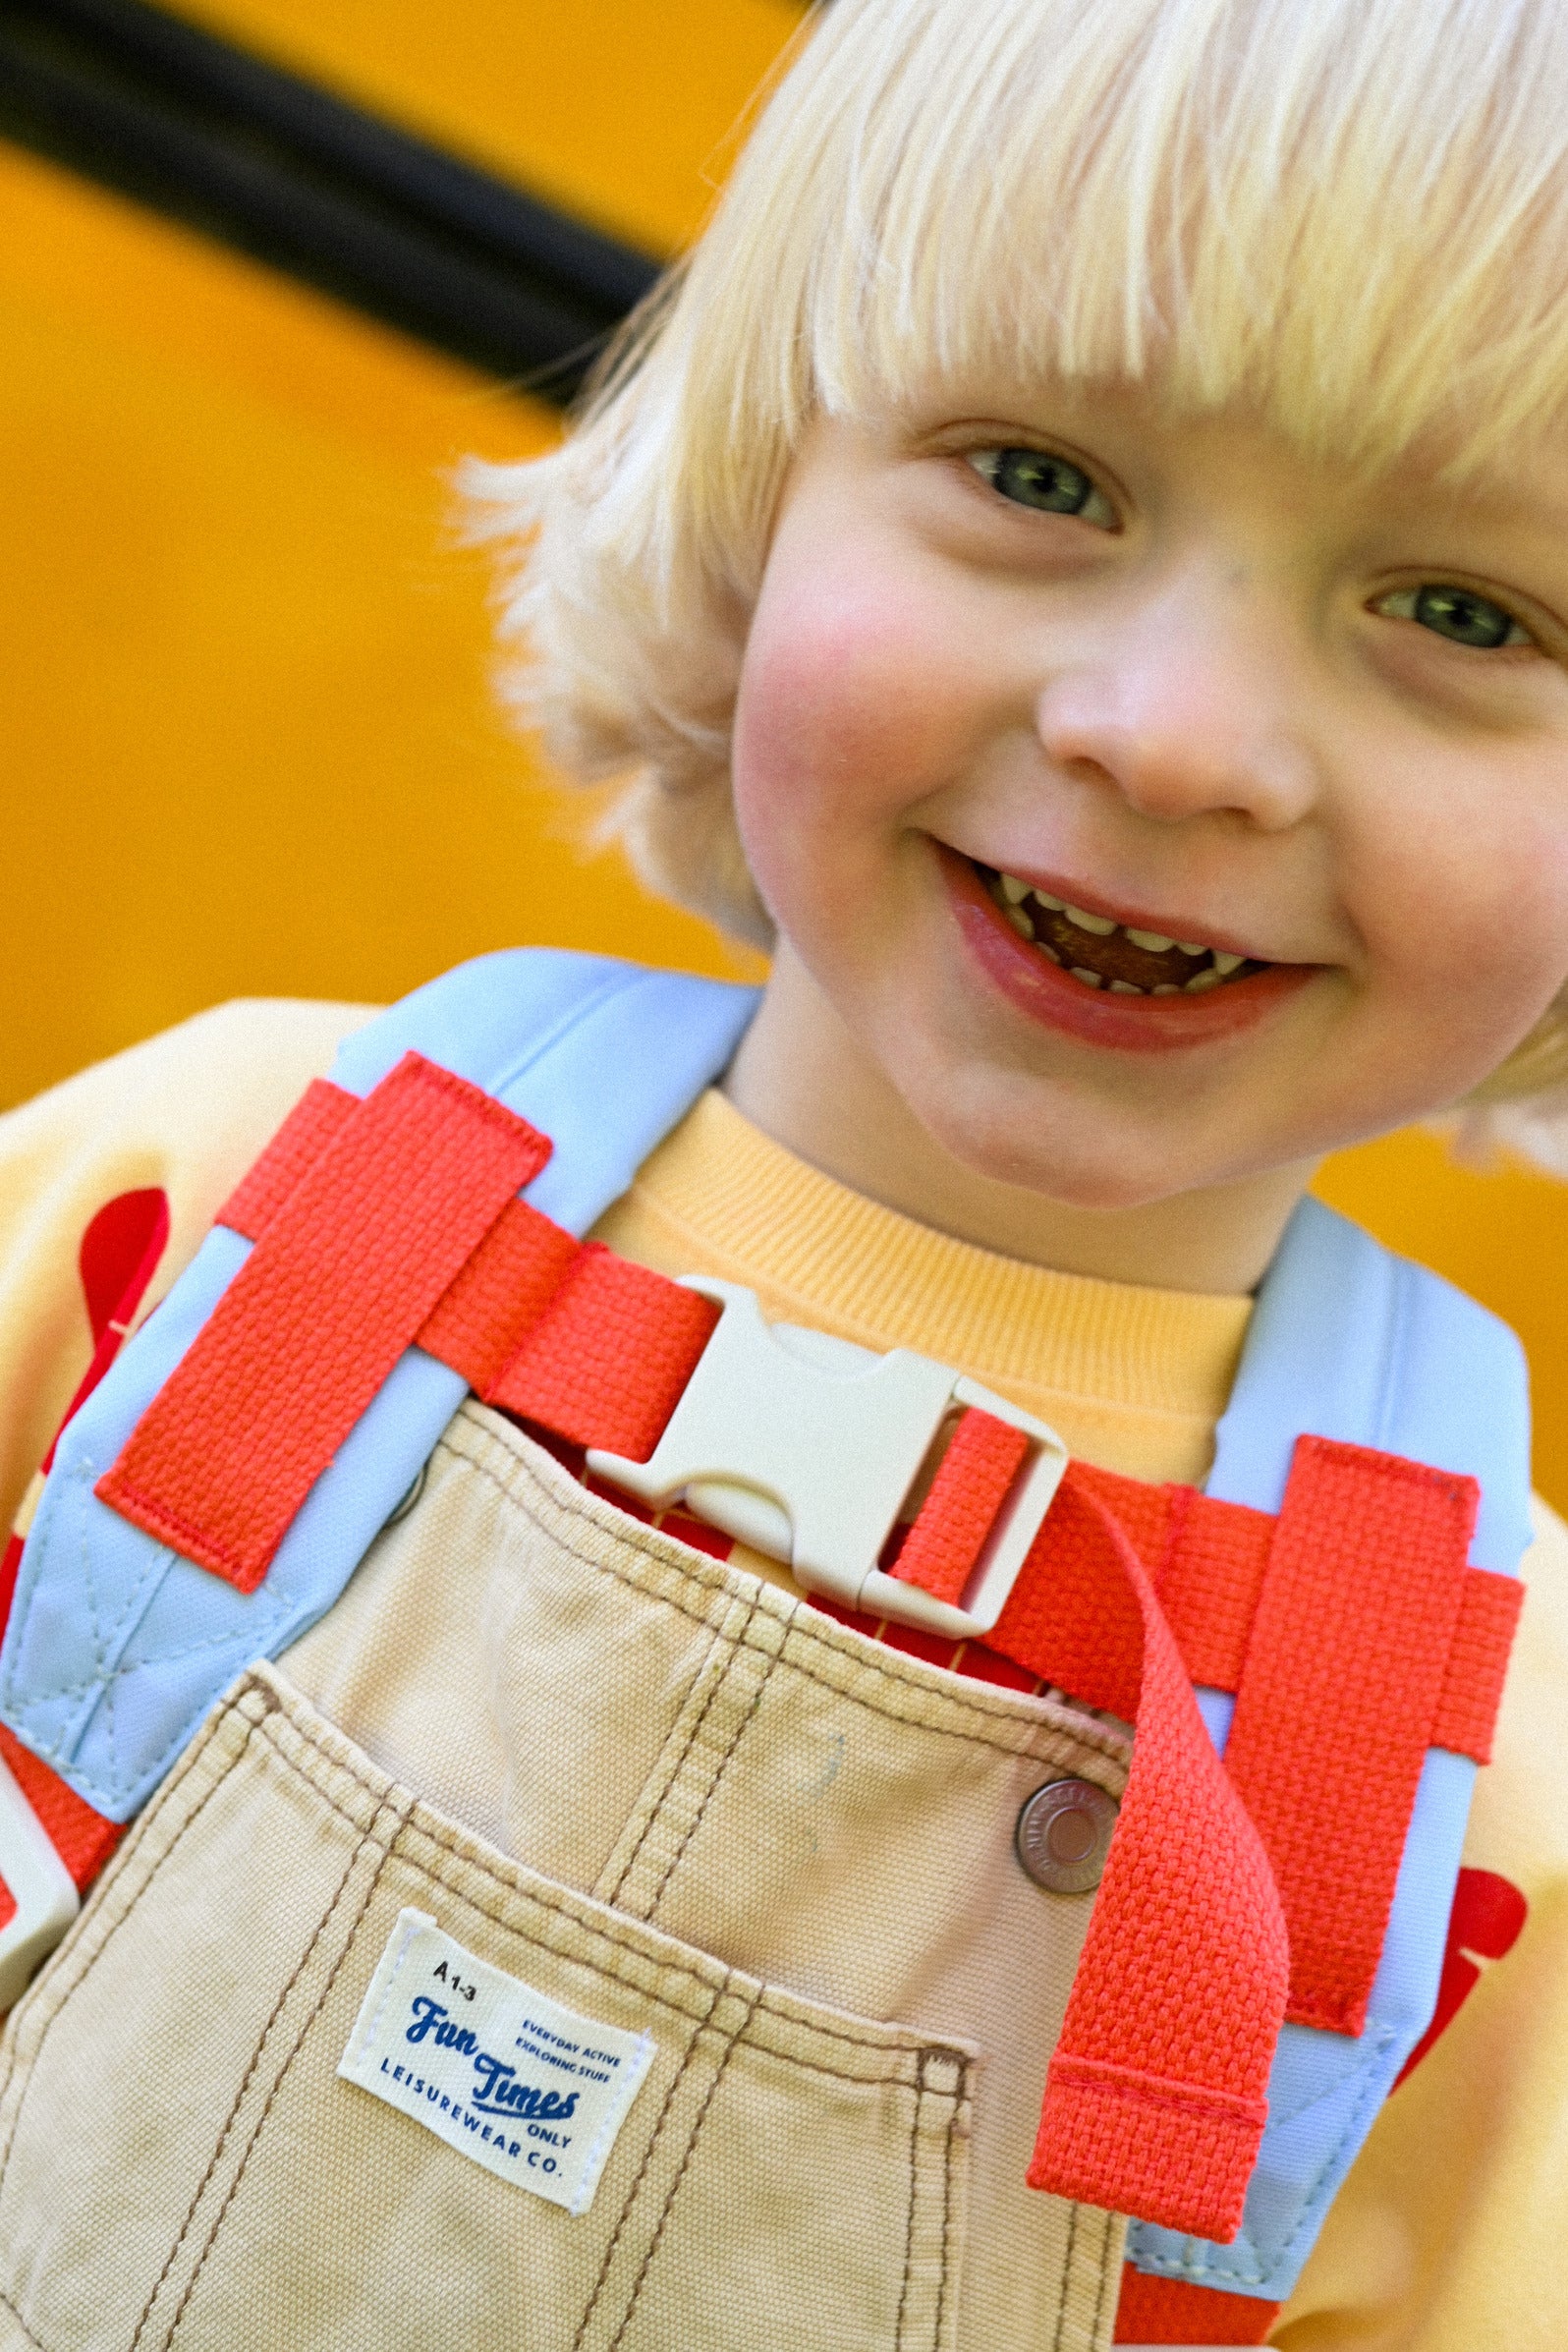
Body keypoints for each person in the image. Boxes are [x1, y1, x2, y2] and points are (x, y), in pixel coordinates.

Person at [2, 0, 1568, 2344]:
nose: (1172, 736)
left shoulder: (1499, 1777)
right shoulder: (201, 1201)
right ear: (746, 501)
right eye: (1041, 477)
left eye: (1466, 613)